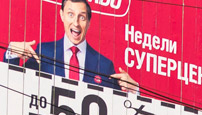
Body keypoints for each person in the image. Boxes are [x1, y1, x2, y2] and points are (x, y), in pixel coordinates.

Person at [4, 1, 138, 92]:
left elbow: (118, 112)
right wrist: (12, 54)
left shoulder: (104, 66)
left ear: (89, 22)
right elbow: (14, 89)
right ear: (61, 15)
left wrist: (134, 91)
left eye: (82, 17)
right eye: (70, 14)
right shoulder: (42, 53)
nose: (76, 23)